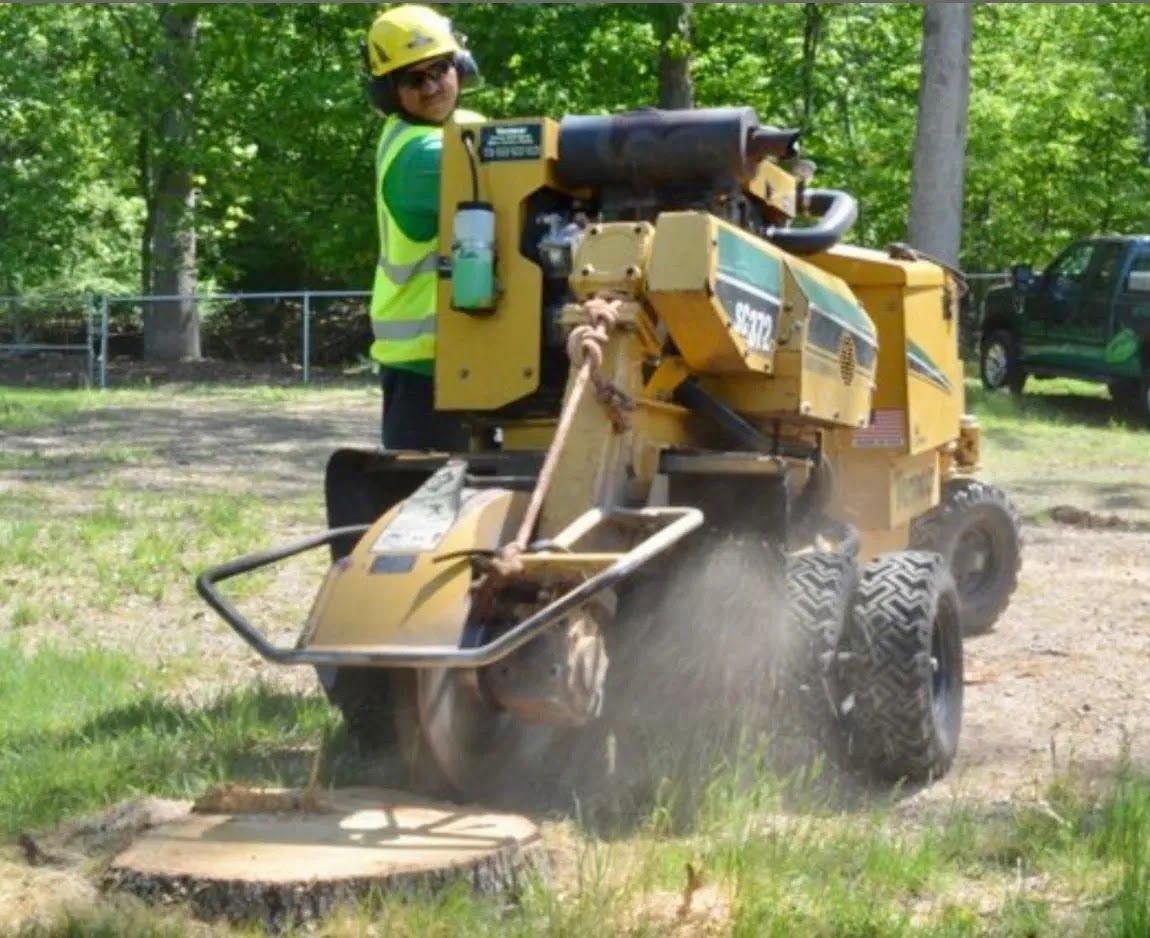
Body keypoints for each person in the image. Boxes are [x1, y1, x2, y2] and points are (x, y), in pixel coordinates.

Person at [363, 4, 483, 450]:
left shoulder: (464, 129)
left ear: (461, 67)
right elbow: (514, 174)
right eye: (415, 79)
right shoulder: (418, 154)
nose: (433, 86)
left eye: (441, 69)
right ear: (389, 92)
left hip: (467, 354)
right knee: (425, 512)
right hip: (426, 369)